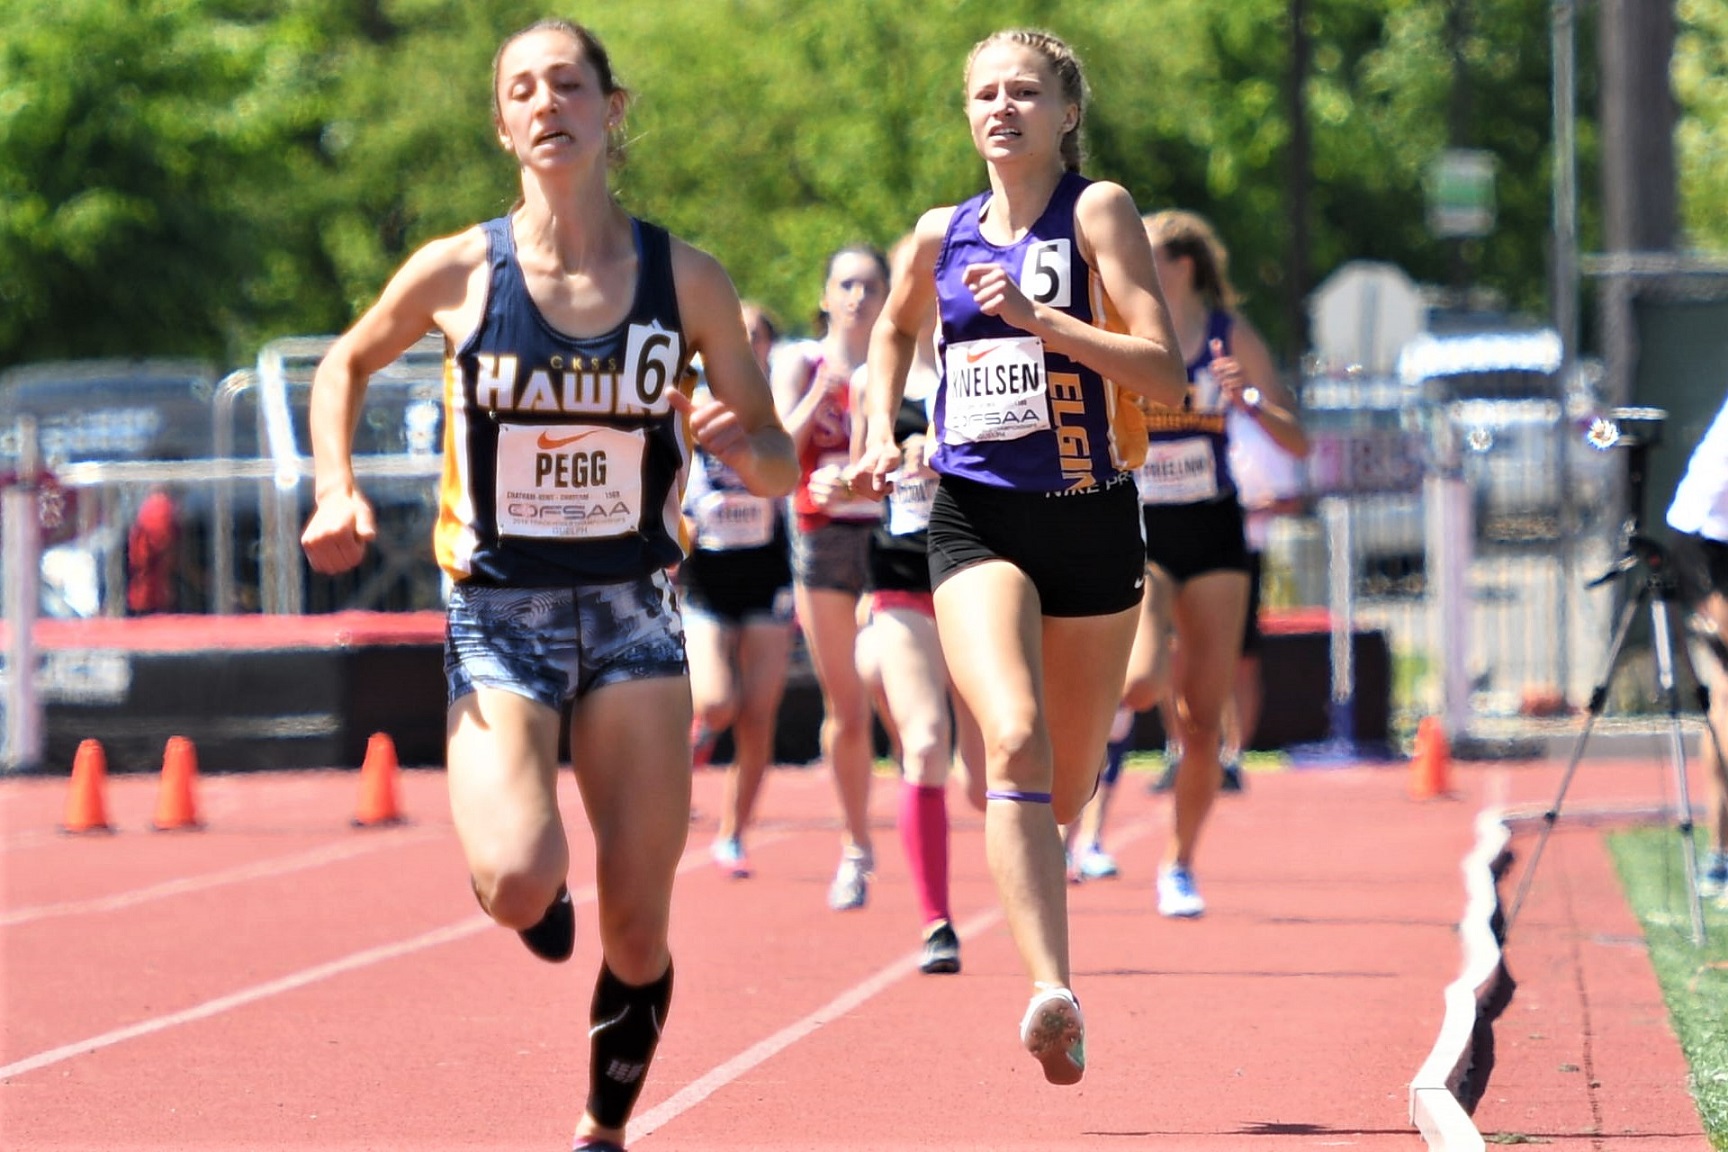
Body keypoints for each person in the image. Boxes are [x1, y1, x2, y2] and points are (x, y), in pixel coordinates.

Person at [298, 20, 796, 1152]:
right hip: (500, 617)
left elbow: (776, 458)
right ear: (503, 123)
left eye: (568, 83)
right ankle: (535, 897)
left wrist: (738, 440)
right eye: (522, 89)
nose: (546, 103)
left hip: (633, 614)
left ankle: (603, 1127)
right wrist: (336, 486)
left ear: (608, 111)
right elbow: (347, 360)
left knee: (640, 912)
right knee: (523, 878)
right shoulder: (461, 270)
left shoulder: (688, 280)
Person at [854, 28, 1186, 1085]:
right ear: (967, 115)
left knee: (1069, 780)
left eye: (1026, 92)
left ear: (1066, 112)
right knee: (1015, 735)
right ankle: (1053, 989)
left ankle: (1042, 880)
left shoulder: (1098, 211)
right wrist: (880, 425)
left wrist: (1044, 321)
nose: (1003, 108)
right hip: (974, 516)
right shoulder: (936, 234)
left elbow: (1166, 375)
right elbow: (891, 333)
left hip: (1090, 517)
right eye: (986, 94)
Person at [1124, 209, 1307, 919]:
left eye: (1157, 257)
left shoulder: (1233, 337)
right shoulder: (1122, 328)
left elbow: (1296, 441)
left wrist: (1249, 401)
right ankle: (1090, 747)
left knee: (1202, 722)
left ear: (1187, 264)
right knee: (1141, 680)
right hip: (1143, 531)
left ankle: (1178, 863)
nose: (1142, 268)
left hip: (1215, 535)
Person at [851, 239, 987, 974]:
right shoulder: (878, 375)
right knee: (926, 743)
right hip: (903, 580)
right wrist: (871, 469)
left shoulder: (993, 360)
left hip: (976, 575)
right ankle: (937, 922)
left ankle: (1033, 870)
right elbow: (854, 472)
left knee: (985, 779)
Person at [771, 244, 892, 910]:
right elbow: (777, 459)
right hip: (822, 540)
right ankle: (855, 846)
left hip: (889, 535)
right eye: (845, 284)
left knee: (900, 694)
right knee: (846, 707)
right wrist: (823, 390)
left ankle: (931, 817)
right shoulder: (801, 362)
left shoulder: (898, 364)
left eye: (871, 285)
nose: (858, 296)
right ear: (825, 296)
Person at [679, 302, 796, 878]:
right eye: (737, 334)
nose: (746, 344)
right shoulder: (691, 406)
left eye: (756, 336)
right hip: (707, 578)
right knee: (718, 702)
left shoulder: (777, 409)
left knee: (757, 715)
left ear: (769, 348)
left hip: (767, 578)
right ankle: (687, 744)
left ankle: (732, 834)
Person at [1667, 393, 1728, 903]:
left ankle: (1720, 856)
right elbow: (1693, 511)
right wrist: (1707, 595)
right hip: (1711, 546)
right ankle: (1721, 853)